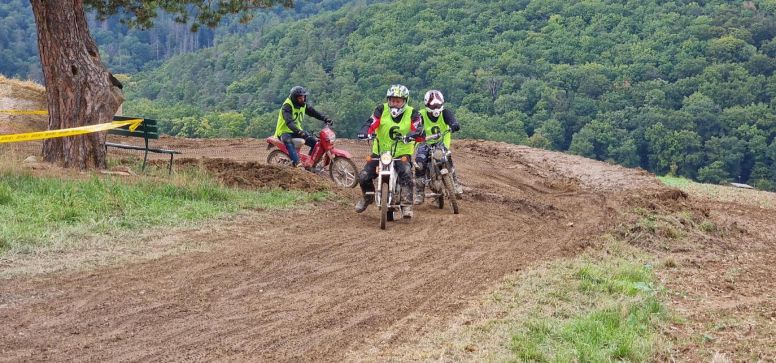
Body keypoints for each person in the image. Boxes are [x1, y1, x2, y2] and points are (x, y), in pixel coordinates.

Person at [355, 84, 423, 218]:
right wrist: (364, 132)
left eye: (398, 101)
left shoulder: (412, 113)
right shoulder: (381, 109)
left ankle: (406, 204)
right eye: (392, 100)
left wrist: (412, 135)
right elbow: (371, 122)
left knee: (407, 173)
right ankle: (368, 197)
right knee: (363, 176)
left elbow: (419, 127)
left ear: (404, 101)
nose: (394, 104)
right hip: (380, 152)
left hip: (401, 153)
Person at [414, 89, 462, 204]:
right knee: (420, 163)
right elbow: (416, 126)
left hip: (441, 141)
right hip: (424, 143)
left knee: (447, 158)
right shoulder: (420, 115)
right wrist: (418, 131)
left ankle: (455, 184)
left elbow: (452, 120)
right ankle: (419, 192)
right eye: (433, 105)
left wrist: (454, 125)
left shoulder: (445, 113)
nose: (436, 108)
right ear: (427, 104)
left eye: (438, 105)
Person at [273, 86, 332, 167]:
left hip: (297, 131)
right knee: (288, 142)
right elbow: (289, 122)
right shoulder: (287, 106)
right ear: (294, 98)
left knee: (315, 142)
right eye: (300, 98)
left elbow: (313, 113)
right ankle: (297, 163)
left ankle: (309, 163)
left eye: (304, 97)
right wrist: (299, 132)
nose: (303, 99)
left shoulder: (303, 105)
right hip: (284, 132)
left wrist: (325, 118)